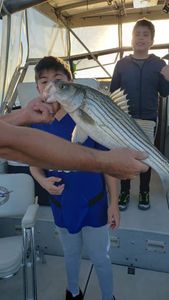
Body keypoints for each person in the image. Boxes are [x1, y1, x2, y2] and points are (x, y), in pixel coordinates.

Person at [29, 56, 120, 300]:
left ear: (70, 83)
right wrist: (43, 181)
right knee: (70, 255)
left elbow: (109, 165)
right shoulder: (35, 122)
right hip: (62, 206)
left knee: (101, 257)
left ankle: (108, 296)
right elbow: (33, 166)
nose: (50, 85)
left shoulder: (87, 117)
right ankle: (73, 291)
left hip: (95, 205)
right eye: (43, 81)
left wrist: (113, 203)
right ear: (38, 87)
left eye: (58, 80)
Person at [110, 18, 169, 211]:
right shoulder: (121, 64)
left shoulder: (159, 64)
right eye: (137, 34)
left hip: (148, 119)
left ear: (151, 40)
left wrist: (168, 77)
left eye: (145, 35)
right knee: (126, 156)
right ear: (131, 38)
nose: (140, 38)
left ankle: (144, 190)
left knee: (147, 156)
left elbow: (165, 92)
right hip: (124, 120)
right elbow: (113, 93)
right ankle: (125, 191)